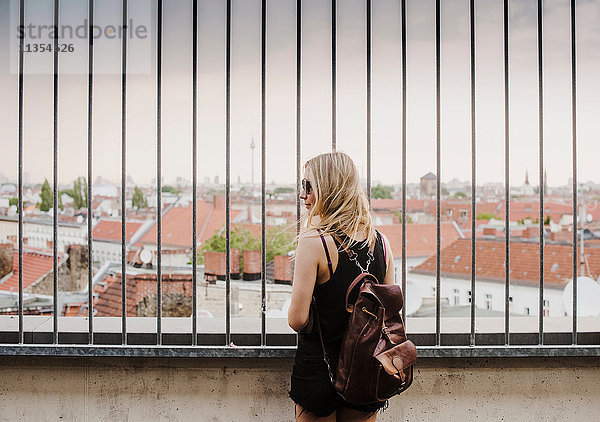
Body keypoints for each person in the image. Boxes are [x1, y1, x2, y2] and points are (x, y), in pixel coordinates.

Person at [288, 151, 395, 421]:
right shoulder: (381, 243)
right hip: (365, 366)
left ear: (328, 188)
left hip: (318, 366)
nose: (303, 194)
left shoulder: (314, 242)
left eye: (308, 186)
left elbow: (297, 319)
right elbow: (388, 311)